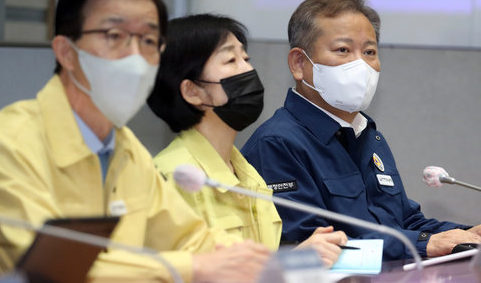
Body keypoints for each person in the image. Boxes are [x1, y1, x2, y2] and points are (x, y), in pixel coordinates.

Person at [0, 0, 270, 282]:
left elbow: (190, 238)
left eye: (150, 40)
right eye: (114, 36)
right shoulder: (12, 142)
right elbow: (50, 272)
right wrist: (191, 268)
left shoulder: (125, 148)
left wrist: (261, 262)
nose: (136, 57)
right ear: (66, 53)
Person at [241, 0, 481, 260]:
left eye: (370, 51)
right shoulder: (277, 144)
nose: (361, 64)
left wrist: (469, 234)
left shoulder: (368, 136)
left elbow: (404, 223)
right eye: (343, 50)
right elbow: (310, 247)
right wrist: (422, 244)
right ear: (299, 63)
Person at [147, 14, 347, 267]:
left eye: (246, 58)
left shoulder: (249, 176)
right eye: (231, 60)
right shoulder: (172, 178)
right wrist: (290, 262)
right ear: (192, 91)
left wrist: (299, 256)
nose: (247, 70)